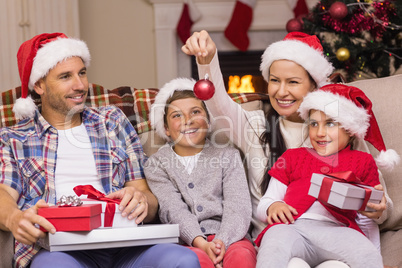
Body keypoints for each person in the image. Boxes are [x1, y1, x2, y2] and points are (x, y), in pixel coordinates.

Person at [0, 33, 201, 268]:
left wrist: (142, 202)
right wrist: (15, 219)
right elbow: (4, 194)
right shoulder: (14, 138)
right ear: (39, 85)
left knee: (183, 260)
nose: (80, 85)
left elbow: (146, 195)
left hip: (127, 247)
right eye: (66, 76)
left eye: (82, 73)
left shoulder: (112, 121)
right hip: (60, 252)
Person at [181, 30, 392, 242]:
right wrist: (207, 61)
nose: (281, 92)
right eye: (275, 80)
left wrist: (378, 210)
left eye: (292, 82)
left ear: (314, 86)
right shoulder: (254, 126)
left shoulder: (339, 130)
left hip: (333, 240)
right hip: (276, 244)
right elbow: (218, 106)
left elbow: (379, 199)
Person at [254, 83, 400, 267]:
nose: (320, 133)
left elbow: (367, 220)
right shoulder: (292, 157)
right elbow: (265, 203)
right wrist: (272, 206)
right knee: (274, 241)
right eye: (314, 124)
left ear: (349, 129)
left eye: (330, 123)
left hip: (338, 232)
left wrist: (374, 254)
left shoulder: (362, 161)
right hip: (293, 229)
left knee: (362, 251)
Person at [144, 78, 257, 268]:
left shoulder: (228, 156)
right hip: (187, 242)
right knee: (197, 261)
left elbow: (238, 206)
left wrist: (221, 241)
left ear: (208, 120)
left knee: (242, 257)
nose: (188, 120)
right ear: (166, 129)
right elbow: (173, 209)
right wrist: (200, 242)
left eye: (195, 112)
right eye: (177, 116)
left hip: (231, 237)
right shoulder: (156, 164)